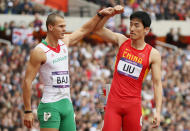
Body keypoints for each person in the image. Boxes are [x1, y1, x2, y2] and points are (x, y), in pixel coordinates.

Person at [22, 8, 117, 131]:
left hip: (67, 104)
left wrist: (100, 14)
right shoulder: (39, 51)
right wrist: (28, 111)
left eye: (64, 26)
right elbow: (27, 81)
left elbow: (84, 29)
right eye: (61, 26)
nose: (64, 29)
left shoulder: (64, 42)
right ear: (50, 27)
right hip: (50, 105)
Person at [94, 8, 163, 131]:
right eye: (130, 24)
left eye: (136, 25)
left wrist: (157, 111)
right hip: (113, 103)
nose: (131, 29)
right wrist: (107, 14)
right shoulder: (122, 41)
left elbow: (157, 84)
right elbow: (98, 29)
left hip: (133, 106)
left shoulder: (153, 54)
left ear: (146, 30)